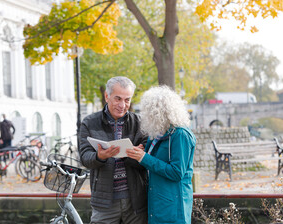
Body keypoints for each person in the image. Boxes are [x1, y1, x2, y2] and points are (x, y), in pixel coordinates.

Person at [79, 76, 148, 224]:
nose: (122, 105)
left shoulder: (140, 124)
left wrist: (132, 155)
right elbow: (85, 158)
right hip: (104, 202)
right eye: (118, 99)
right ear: (106, 96)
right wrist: (99, 156)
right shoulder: (89, 123)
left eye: (127, 100)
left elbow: (146, 162)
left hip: (135, 201)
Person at [126, 85, 196, 224]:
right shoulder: (158, 132)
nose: (146, 116)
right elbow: (153, 159)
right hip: (158, 199)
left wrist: (144, 157)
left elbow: (177, 172)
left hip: (173, 203)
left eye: (150, 112)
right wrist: (140, 152)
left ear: (160, 112)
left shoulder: (180, 134)